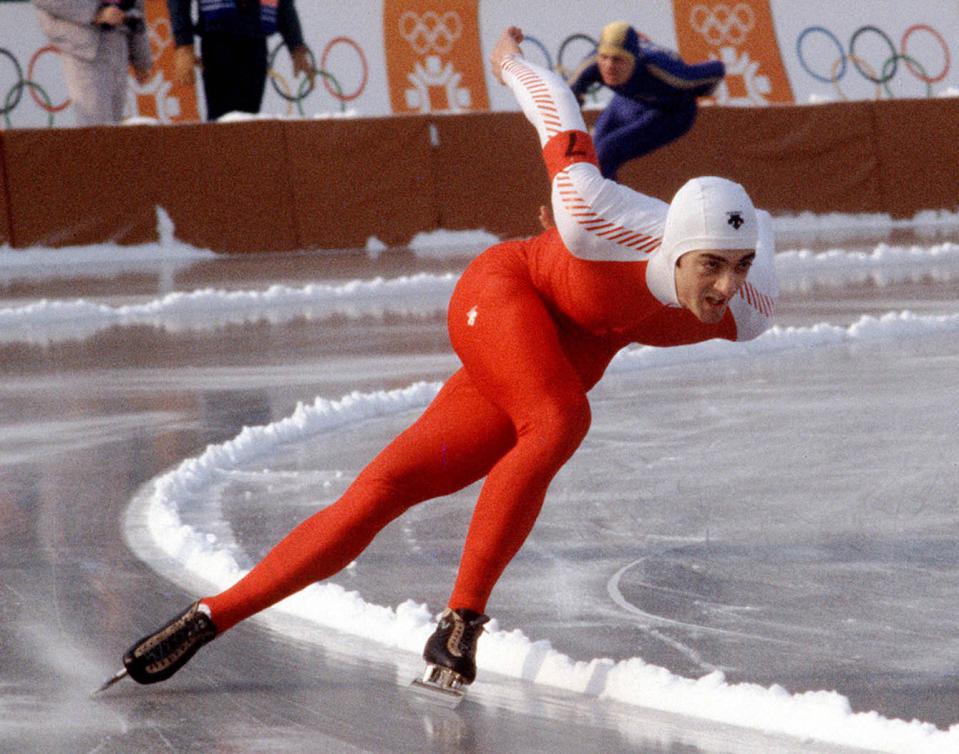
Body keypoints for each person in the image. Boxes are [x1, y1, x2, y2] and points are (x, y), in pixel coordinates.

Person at [104, 26, 778, 698]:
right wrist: (512, 59)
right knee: (557, 418)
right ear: (674, 251)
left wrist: (737, 273)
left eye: (739, 267)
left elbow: (736, 281)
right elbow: (559, 115)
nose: (722, 286)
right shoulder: (591, 214)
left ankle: (207, 618)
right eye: (710, 266)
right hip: (505, 295)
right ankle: (460, 623)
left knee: (387, 487)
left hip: (562, 351)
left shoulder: (745, 309)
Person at [567, 21, 725, 179]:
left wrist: (702, 92)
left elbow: (717, 69)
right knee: (591, 152)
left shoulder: (666, 72)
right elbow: (566, 96)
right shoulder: (592, 65)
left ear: (634, 61)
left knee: (605, 153)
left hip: (671, 112)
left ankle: (610, 203)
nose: (609, 66)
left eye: (618, 60)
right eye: (604, 57)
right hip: (628, 101)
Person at [166, 0, 314, 121]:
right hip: (219, 40)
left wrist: (296, 46)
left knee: (249, 120)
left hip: (255, 40)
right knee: (222, 121)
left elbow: (284, 4)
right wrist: (184, 45)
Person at [32, 0, 152, 126]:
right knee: (96, 128)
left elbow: (136, 7)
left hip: (119, 39)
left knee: (114, 129)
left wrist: (141, 58)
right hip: (83, 43)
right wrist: (95, 12)